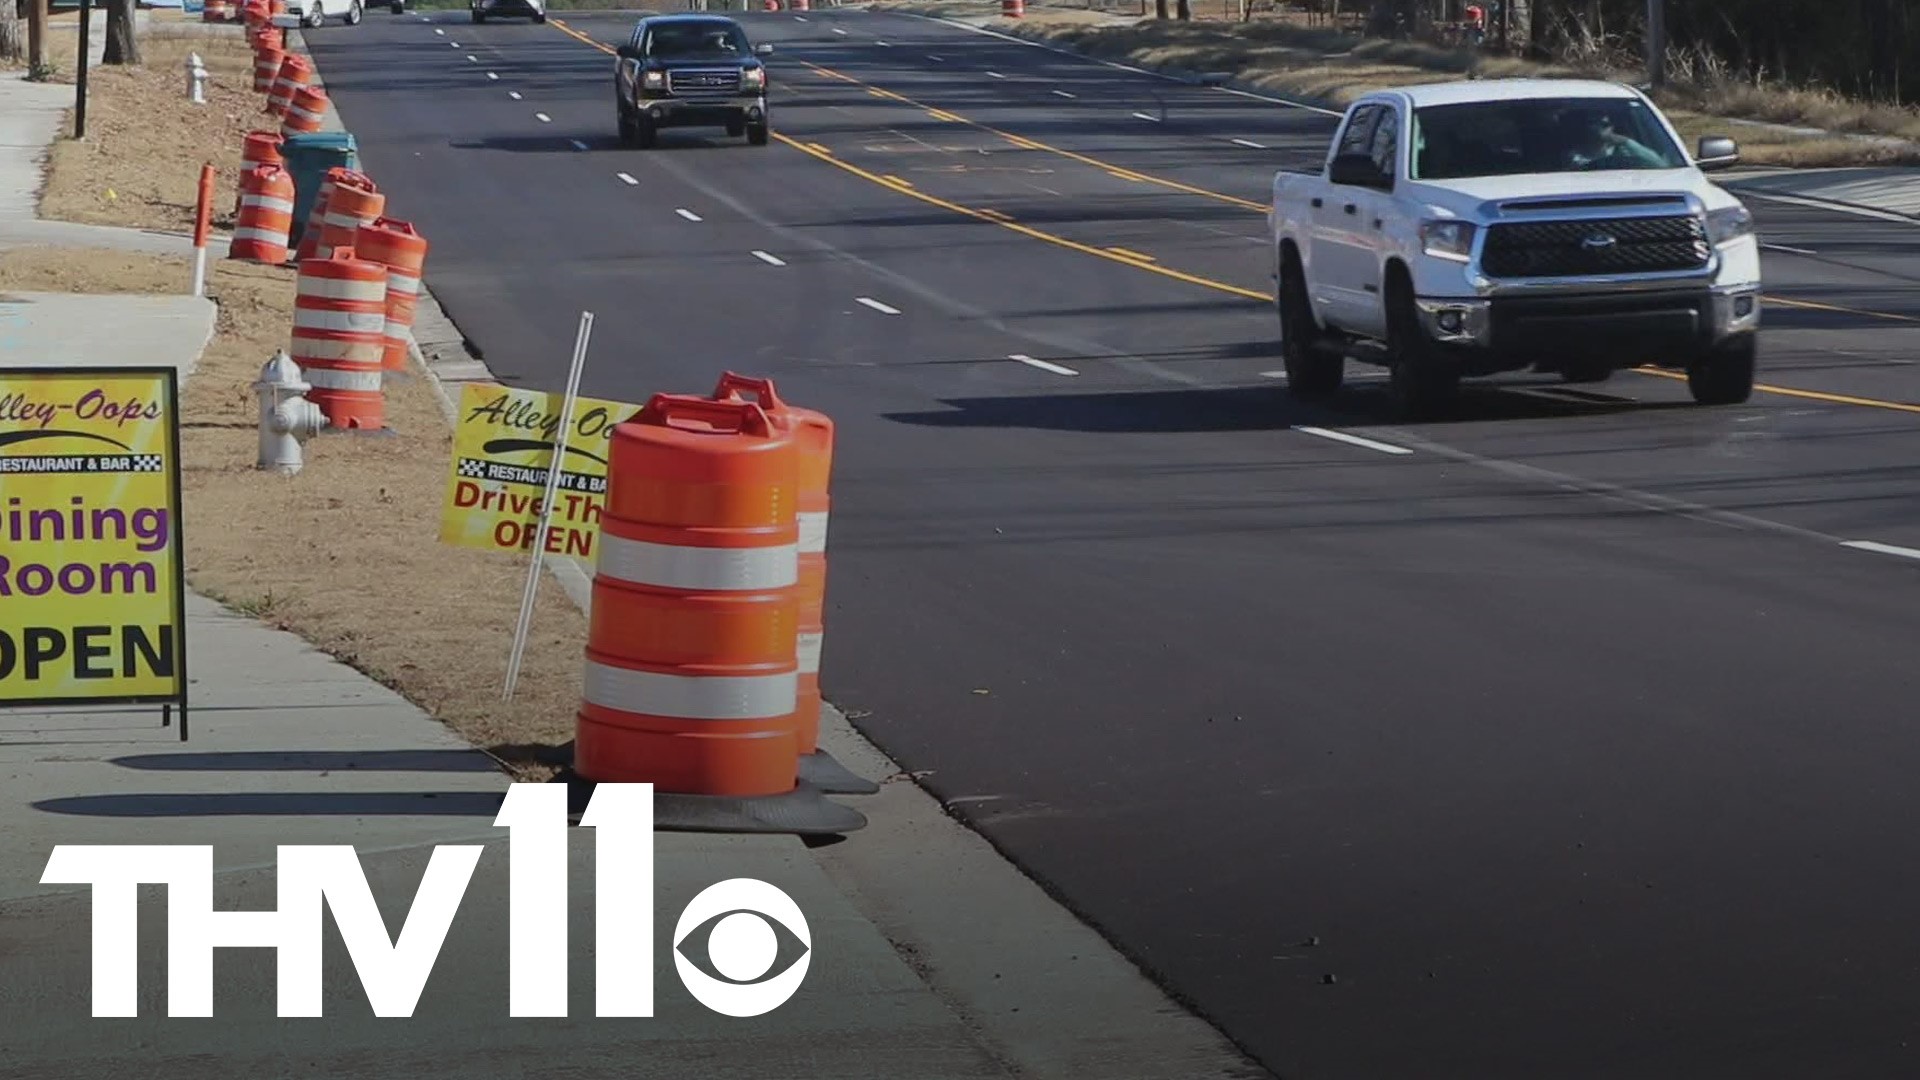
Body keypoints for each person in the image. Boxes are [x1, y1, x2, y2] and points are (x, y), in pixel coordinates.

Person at [1559, 108, 1668, 169]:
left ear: (1612, 127)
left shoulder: (1625, 152)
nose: (1600, 129)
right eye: (1594, 123)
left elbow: (1661, 165)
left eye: (1605, 124)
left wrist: (1628, 142)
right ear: (1584, 127)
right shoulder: (1572, 156)